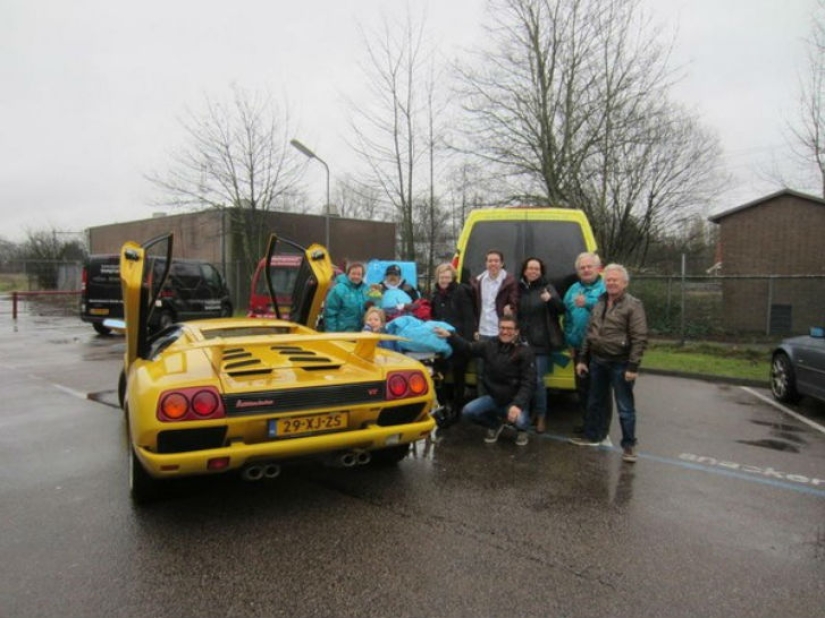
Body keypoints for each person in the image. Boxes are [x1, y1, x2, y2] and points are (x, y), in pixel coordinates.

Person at [569, 264, 648, 463]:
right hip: (598, 361)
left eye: (615, 280)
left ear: (625, 283)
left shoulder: (633, 305)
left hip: (620, 363)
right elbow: (590, 333)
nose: (611, 283)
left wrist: (633, 366)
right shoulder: (600, 302)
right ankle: (593, 436)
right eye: (609, 280)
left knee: (625, 407)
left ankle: (629, 445)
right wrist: (582, 359)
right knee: (595, 402)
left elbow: (640, 337)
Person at [434, 315, 535, 446]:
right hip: (494, 398)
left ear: (517, 331)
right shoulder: (489, 344)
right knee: (468, 412)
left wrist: (517, 405)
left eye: (509, 329)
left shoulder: (525, 351)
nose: (505, 332)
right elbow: (468, 348)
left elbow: (529, 382)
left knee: (521, 421)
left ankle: (522, 430)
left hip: (514, 399)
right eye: (502, 328)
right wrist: (450, 336)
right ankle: (494, 425)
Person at [517, 257, 564, 434]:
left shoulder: (547, 288)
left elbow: (561, 309)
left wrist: (550, 300)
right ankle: (526, 415)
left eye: (537, 269)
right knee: (524, 381)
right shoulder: (520, 289)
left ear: (541, 271)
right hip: (522, 342)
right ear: (524, 270)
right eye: (530, 268)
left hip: (541, 343)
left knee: (537, 381)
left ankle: (541, 415)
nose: (533, 271)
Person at [563, 252, 607, 432]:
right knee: (582, 389)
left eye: (590, 266)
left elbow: (608, 309)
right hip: (578, 348)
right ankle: (587, 423)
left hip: (600, 349)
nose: (586, 270)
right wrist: (570, 341)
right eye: (582, 267)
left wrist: (587, 302)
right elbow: (567, 317)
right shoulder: (573, 289)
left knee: (600, 391)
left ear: (598, 268)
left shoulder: (606, 287)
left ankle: (600, 428)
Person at [429, 263, 476, 424]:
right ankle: (443, 406)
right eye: (442, 277)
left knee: (458, 377)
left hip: (458, 339)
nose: (444, 280)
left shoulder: (461, 291)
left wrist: (466, 341)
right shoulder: (435, 294)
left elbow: (469, 317)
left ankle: (457, 408)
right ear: (438, 278)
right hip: (441, 342)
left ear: (453, 277)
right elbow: (433, 317)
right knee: (438, 376)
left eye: (447, 277)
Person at [470, 249, 519, 395]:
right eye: (490, 260)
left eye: (496, 261)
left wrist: (511, 307)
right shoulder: (477, 282)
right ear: (486, 263)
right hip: (482, 333)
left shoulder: (510, 281)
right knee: (481, 374)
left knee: (501, 374)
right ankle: (482, 407)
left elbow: (515, 300)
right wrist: (474, 328)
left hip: (501, 333)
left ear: (502, 263)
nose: (493, 263)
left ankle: (500, 409)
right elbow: (473, 308)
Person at [323, 262, 370, 332]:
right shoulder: (338, 289)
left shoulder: (367, 290)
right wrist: (331, 334)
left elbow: (372, 309)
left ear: (362, 276)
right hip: (342, 334)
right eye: (353, 273)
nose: (356, 276)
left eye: (359, 274)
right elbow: (330, 313)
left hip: (361, 334)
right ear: (347, 274)